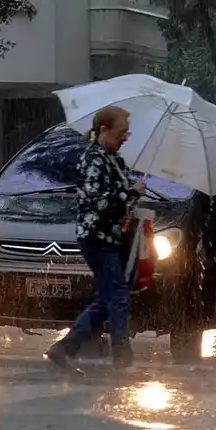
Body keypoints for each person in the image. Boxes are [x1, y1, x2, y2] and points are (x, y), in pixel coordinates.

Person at [47, 105, 146, 371]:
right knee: (118, 295)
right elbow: (97, 203)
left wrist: (131, 193)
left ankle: (64, 348)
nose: (125, 137)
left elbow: (118, 195)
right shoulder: (92, 160)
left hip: (113, 238)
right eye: (121, 132)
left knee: (107, 299)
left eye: (127, 133)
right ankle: (122, 357)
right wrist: (131, 194)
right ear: (104, 129)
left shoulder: (115, 159)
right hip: (96, 237)